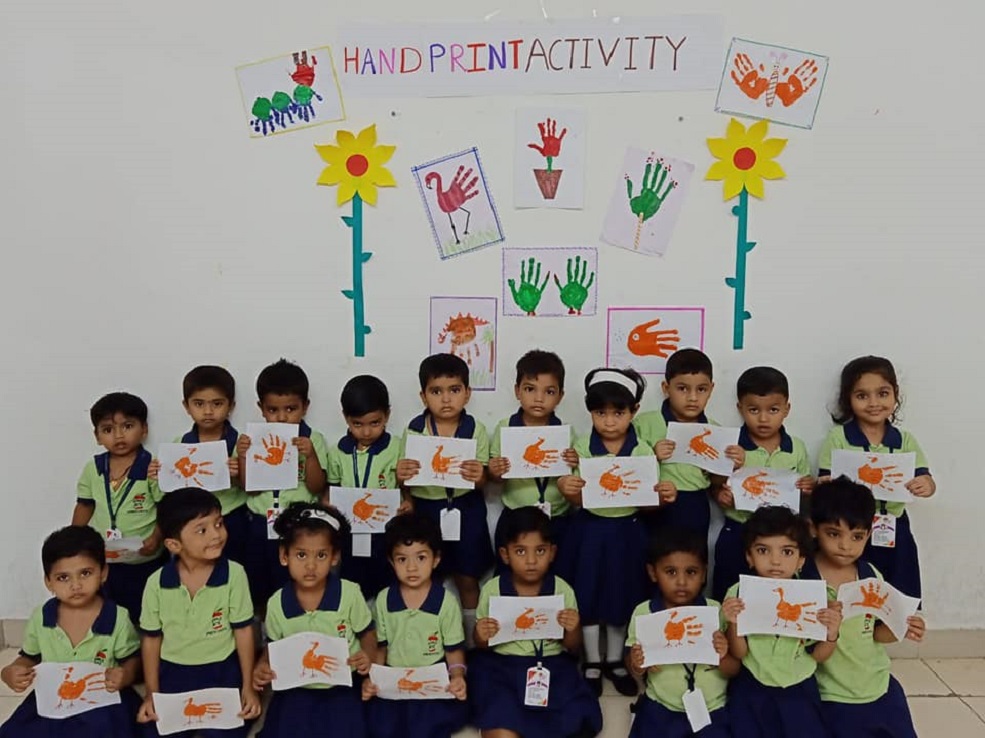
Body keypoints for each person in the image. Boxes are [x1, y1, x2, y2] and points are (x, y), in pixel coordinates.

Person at [556, 368, 676, 697]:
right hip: (590, 531)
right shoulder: (582, 447)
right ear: (590, 413)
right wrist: (567, 488)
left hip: (628, 532)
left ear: (633, 411)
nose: (609, 422)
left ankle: (614, 660)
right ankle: (592, 661)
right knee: (588, 593)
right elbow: (577, 498)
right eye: (600, 413)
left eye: (618, 413)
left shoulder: (642, 451)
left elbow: (648, 503)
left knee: (622, 594)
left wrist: (662, 496)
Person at [804, 478, 925, 737]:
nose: (845, 546)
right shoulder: (802, 577)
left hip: (877, 683)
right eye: (833, 534)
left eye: (857, 536)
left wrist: (901, 627)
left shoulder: (871, 576)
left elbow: (876, 633)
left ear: (869, 534)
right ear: (813, 529)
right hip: (829, 693)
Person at [470, 507, 602, 738]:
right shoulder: (493, 590)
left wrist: (572, 629)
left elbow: (573, 647)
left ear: (552, 553)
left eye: (540, 551)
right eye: (520, 551)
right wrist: (481, 635)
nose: (531, 561)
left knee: (574, 716)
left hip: (551, 664)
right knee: (499, 716)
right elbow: (482, 645)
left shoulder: (562, 589)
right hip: (503, 665)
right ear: (505, 555)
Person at [137, 489, 260, 737]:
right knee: (155, 730)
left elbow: (244, 631)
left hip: (222, 669)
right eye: (202, 530)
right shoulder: (156, 582)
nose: (216, 535)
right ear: (174, 545)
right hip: (173, 670)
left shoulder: (234, 574)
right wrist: (152, 693)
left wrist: (248, 687)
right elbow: (151, 639)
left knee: (229, 731)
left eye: (219, 523)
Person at [0, 526, 142, 738]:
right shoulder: (41, 617)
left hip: (101, 699)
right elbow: (29, 656)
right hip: (55, 697)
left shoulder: (117, 617)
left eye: (85, 573)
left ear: (103, 573)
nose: (76, 585)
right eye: (63, 578)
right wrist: (10, 672)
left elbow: (131, 659)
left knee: (108, 729)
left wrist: (125, 675)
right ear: (48, 582)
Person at [252, 502, 376, 738]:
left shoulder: (349, 594)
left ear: (334, 557)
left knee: (348, 729)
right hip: (296, 686)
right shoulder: (277, 602)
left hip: (343, 684)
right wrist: (262, 665)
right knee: (287, 728)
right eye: (301, 555)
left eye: (321, 555)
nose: (310, 566)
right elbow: (273, 645)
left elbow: (367, 632)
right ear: (284, 556)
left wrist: (367, 655)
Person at [817, 356, 935, 598]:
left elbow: (925, 478)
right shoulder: (838, 437)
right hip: (852, 527)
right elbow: (825, 481)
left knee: (900, 583)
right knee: (856, 585)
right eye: (862, 396)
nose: (873, 403)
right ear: (848, 399)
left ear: (895, 395)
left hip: (894, 523)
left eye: (882, 394)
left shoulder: (904, 440)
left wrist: (926, 485)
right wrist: (824, 485)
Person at [397, 354, 492, 646]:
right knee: (427, 575)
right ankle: (431, 640)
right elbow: (404, 479)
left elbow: (483, 479)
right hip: (426, 510)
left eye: (454, 390)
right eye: (436, 391)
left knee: (467, 577)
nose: (446, 399)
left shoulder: (476, 429)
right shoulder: (414, 430)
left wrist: (480, 474)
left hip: (465, 507)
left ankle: (472, 643)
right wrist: (403, 477)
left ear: (467, 393)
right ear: (423, 396)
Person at [722, 506, 841, 738]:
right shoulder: (738, 594)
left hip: (799, 685)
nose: (775, 561)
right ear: (749, 557)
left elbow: (819, 656)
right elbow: (739, 653)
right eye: (763, 550)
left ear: (801, 560)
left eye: (787, 552)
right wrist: (734, 623)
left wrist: (832, 633)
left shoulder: (815, 597)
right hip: (752, 684)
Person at [363, 513, 468, 738]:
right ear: (391, 561)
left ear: (436, 559)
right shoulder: (384, 599)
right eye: (402, 559)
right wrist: (373, 678)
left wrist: (457, 676)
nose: (412, 567)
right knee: (382, 725)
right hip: (395, 680)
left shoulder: (446, 602)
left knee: (428, 726)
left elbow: (453, 650)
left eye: (421, 558)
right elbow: (381, 647)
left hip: (431, 679)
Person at [626, 529, 739, 737]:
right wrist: (637, 663)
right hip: (661, 704)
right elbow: (632, 666)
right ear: (653, 573)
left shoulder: (716, 612)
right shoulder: (644, 613)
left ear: (704, 574)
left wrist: (722, 655)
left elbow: (734, 669)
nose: (681, 582)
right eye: (671, 572)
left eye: (691, 572)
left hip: (712, 708)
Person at [713, 367, 813, 600]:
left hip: (780, 540)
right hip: (738, 528)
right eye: (754, 410)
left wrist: (808, 487)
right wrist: (721, 494)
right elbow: (715, 483)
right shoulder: (731, 445)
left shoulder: (796, 448)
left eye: (773, 410)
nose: (764, 418)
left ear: (787, 409)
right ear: (740, 408)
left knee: (776, 597)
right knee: (730, 593)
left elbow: (803, 491)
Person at [237, 359, 329, 608]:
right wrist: (244, 456)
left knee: (295, 579)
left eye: (291, 409)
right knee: (258, 578)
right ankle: (265, 622)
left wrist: (310, 456)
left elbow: (317, 487)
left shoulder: (313, 439)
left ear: (305, 406)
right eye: (273, 410)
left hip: (299, 523)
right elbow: (249, 488)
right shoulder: (251, 440)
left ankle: (295, 619)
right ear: (261, 408)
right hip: (259, 522)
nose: (282, 417)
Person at [72, 392, 164, 624]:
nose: (119, 435)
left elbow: (165, 507)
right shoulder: (93, 469)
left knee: (147, 613)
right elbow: (85, 505)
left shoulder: (152, 467)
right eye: (108, 429)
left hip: (146, 558)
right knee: (109, 612)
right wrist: (74, 542)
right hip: (105, 558)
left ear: (144, 430)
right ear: (97, 436)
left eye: (128, 426)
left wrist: (156, 537)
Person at [635, 349, 744, 539]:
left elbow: (715, 482)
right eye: (682, 388)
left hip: (696, 504)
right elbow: (628, 467)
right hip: (655, 503)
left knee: (694, 554)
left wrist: (731, 465)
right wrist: (652, 456)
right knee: (652, 554)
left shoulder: (715, 431)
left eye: (701, 389)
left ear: (711, 389)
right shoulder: (644, 424)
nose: (692, 397)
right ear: (666, 388)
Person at [149, 365, 248, 565]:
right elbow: (169, 492)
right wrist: (157, 475)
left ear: (231, 406)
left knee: (235, 568)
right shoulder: (178, 446)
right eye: (199, 404)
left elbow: (250, 488)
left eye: (217, 404)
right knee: (193, 569)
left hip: (230, 518)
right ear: (186, 406)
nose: (208, 411)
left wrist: (238, 475)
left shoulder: (241, 444)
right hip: (191, 522)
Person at [488, 350, 578, 569]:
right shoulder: (505, 428)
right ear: (517, 391)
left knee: (559, 574)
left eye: (549, 392)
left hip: (557, 517)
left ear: (560, 396)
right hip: (515, 516)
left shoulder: (566, 432)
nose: (539, 398)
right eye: (530, 389)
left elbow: (576, 479)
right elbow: (495, 478)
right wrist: (495, 471)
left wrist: (575, 462)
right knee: (510, 576)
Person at [327, 375, 409, 599]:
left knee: (389, 588)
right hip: (350, 534)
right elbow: (331, 489)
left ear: (387, 415)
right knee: (352, 587)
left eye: (375, 423)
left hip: (386, 534)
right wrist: (328, 503)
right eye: (357, 424)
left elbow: (407, 489)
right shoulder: (337, 452)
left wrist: (408, 503)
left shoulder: (398, 447)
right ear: (346, 418)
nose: (366, 432)